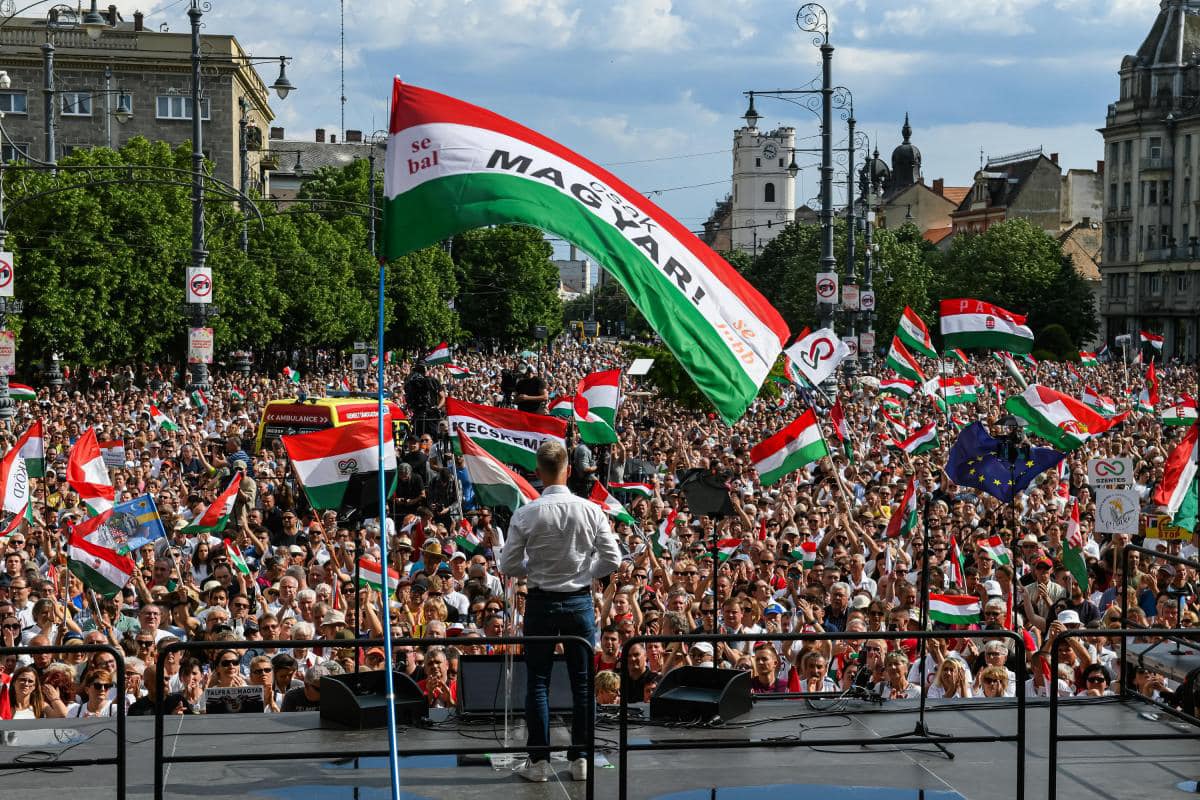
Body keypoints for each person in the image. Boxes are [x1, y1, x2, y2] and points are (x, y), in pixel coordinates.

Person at [499, 439, 621, 783]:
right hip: (578, 601)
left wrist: (536, 567)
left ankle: (538, 763)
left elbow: (509, 564)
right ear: (567, 469)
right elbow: (612, 559)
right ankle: (580, 759)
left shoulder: (526, 513)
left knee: (538, 683)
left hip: (541, 602)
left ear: (538, 472)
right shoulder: (590, 510)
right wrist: (582, 571)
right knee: (582, 684)